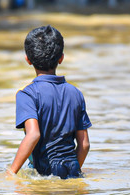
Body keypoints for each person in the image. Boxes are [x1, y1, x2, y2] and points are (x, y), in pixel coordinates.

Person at [6, 25, 91, 179]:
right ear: (61, 58)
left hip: (43, 172)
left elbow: (33, 135)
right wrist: (71, 173)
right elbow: (84, 145)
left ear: (28, 60)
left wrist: (10, 173)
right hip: (71, 169)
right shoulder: (76, 93)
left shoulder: (27, 94)